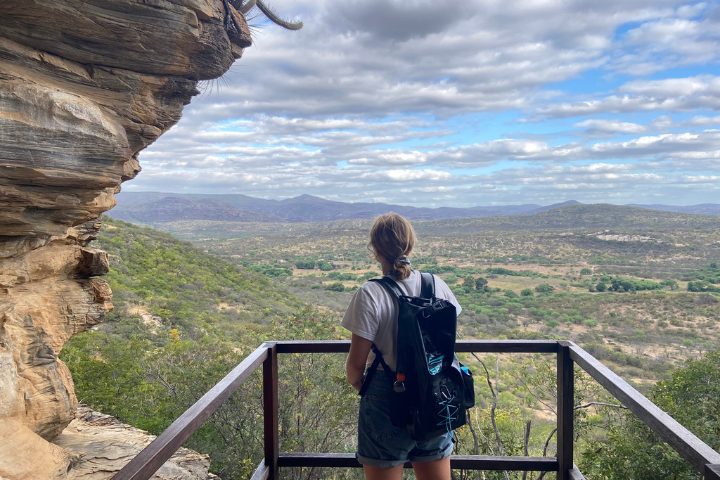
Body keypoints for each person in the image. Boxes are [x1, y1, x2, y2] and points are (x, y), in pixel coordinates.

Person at [342, 212, 462, 480]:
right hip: (435, 392)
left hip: (387, 394)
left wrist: (365, 387)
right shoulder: (437, 285)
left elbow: (355, 366)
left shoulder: (370, 294)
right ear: (410, 245)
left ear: (375, 250)